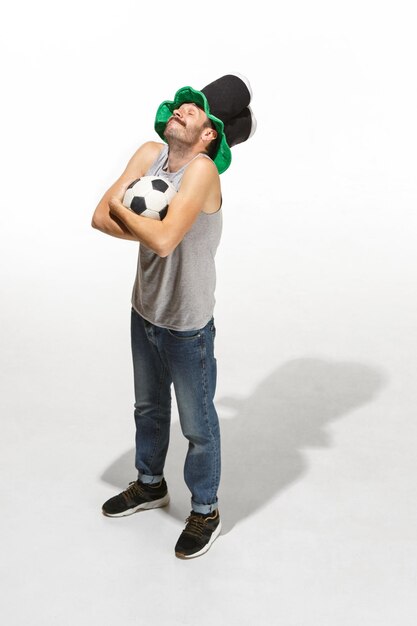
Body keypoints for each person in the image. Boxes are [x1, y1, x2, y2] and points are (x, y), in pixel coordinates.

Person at [92, 74, 256, 559]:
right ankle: (149, 484)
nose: (182, 108)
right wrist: (149, 223)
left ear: (210, 135)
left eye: (195, 109)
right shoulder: (149, 155)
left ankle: (205, 509)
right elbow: (99, 217)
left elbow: (162, 241)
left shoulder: (203, 171)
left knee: (198, 423)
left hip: (187, 325)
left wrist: (135, 216)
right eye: (182, 103)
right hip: (144, 309)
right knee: (147, 408)